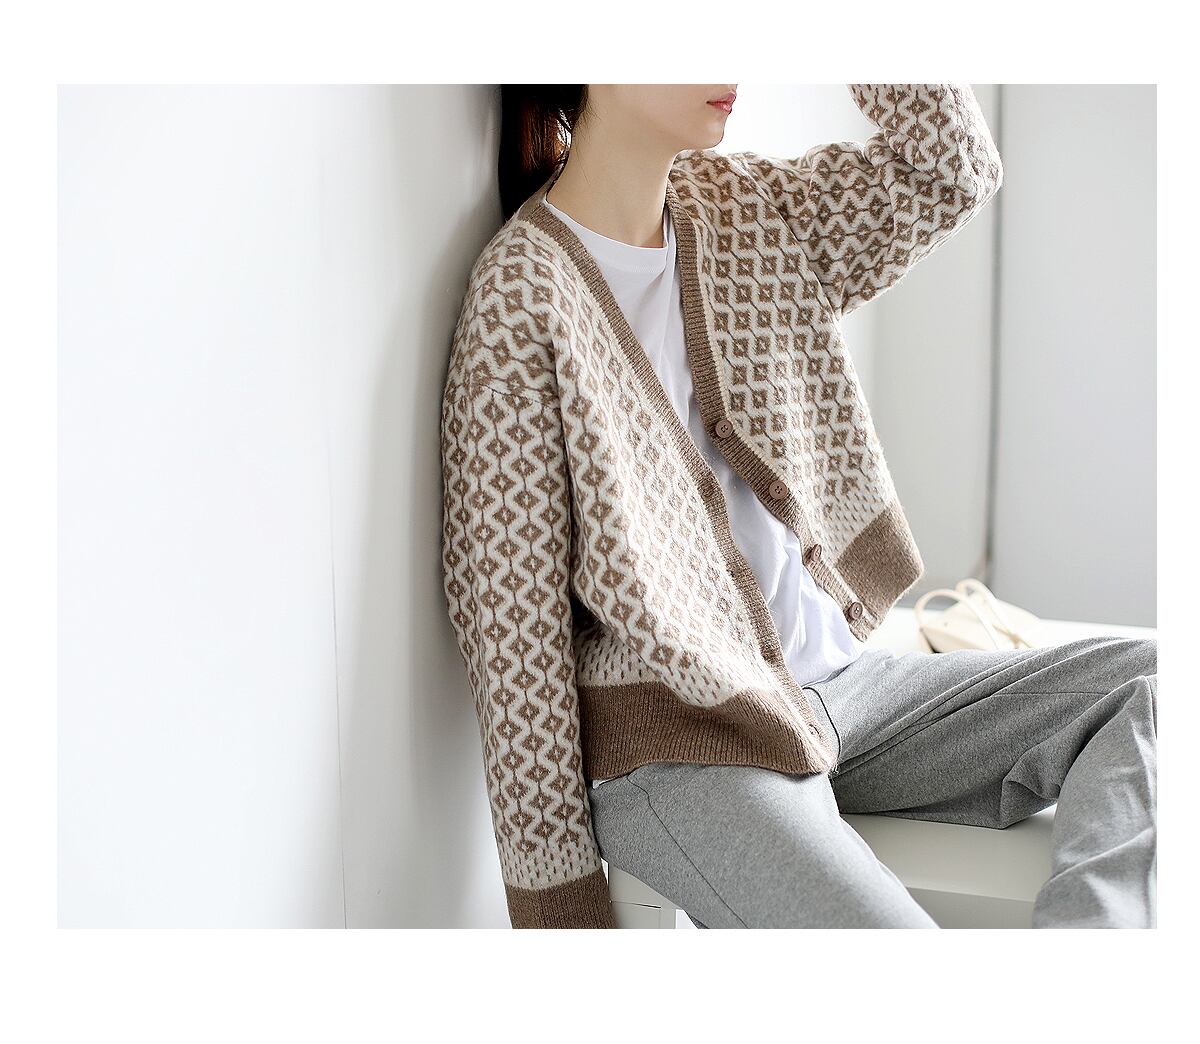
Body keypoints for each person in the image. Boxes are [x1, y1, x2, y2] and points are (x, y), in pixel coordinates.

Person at [439, 84, 1157, 928]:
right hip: (689, 749)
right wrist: (565, 922)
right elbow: (515, 649)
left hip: (846, 691)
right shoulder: (520, 301)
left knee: (1155, 684)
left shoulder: (749, 209)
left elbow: (952, 166)